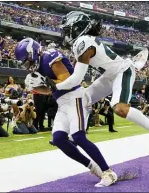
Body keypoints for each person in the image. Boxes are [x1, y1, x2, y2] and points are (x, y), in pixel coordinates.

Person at [48, 11, 149, 159]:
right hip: (110, 75)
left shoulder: (83, 42)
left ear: (76, 28)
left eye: (67, 30)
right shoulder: (83, 42)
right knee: (83, 98)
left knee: (119, 108)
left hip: (122, 71)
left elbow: (76, 79)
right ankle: (73, 136)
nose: (65, 34)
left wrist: (55, 86)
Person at [15, 38, 116, 187]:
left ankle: (108, 172)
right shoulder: (39, 66)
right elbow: (50, 91)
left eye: (27, 61)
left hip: (75, 97)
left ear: (34, 53)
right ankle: (94, 168)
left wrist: (46, 81)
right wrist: (36, 88)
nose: (27, 65)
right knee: (59, 139)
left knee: (78, 137)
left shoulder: (50, 57)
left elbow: (67, 80)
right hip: (62, 103)